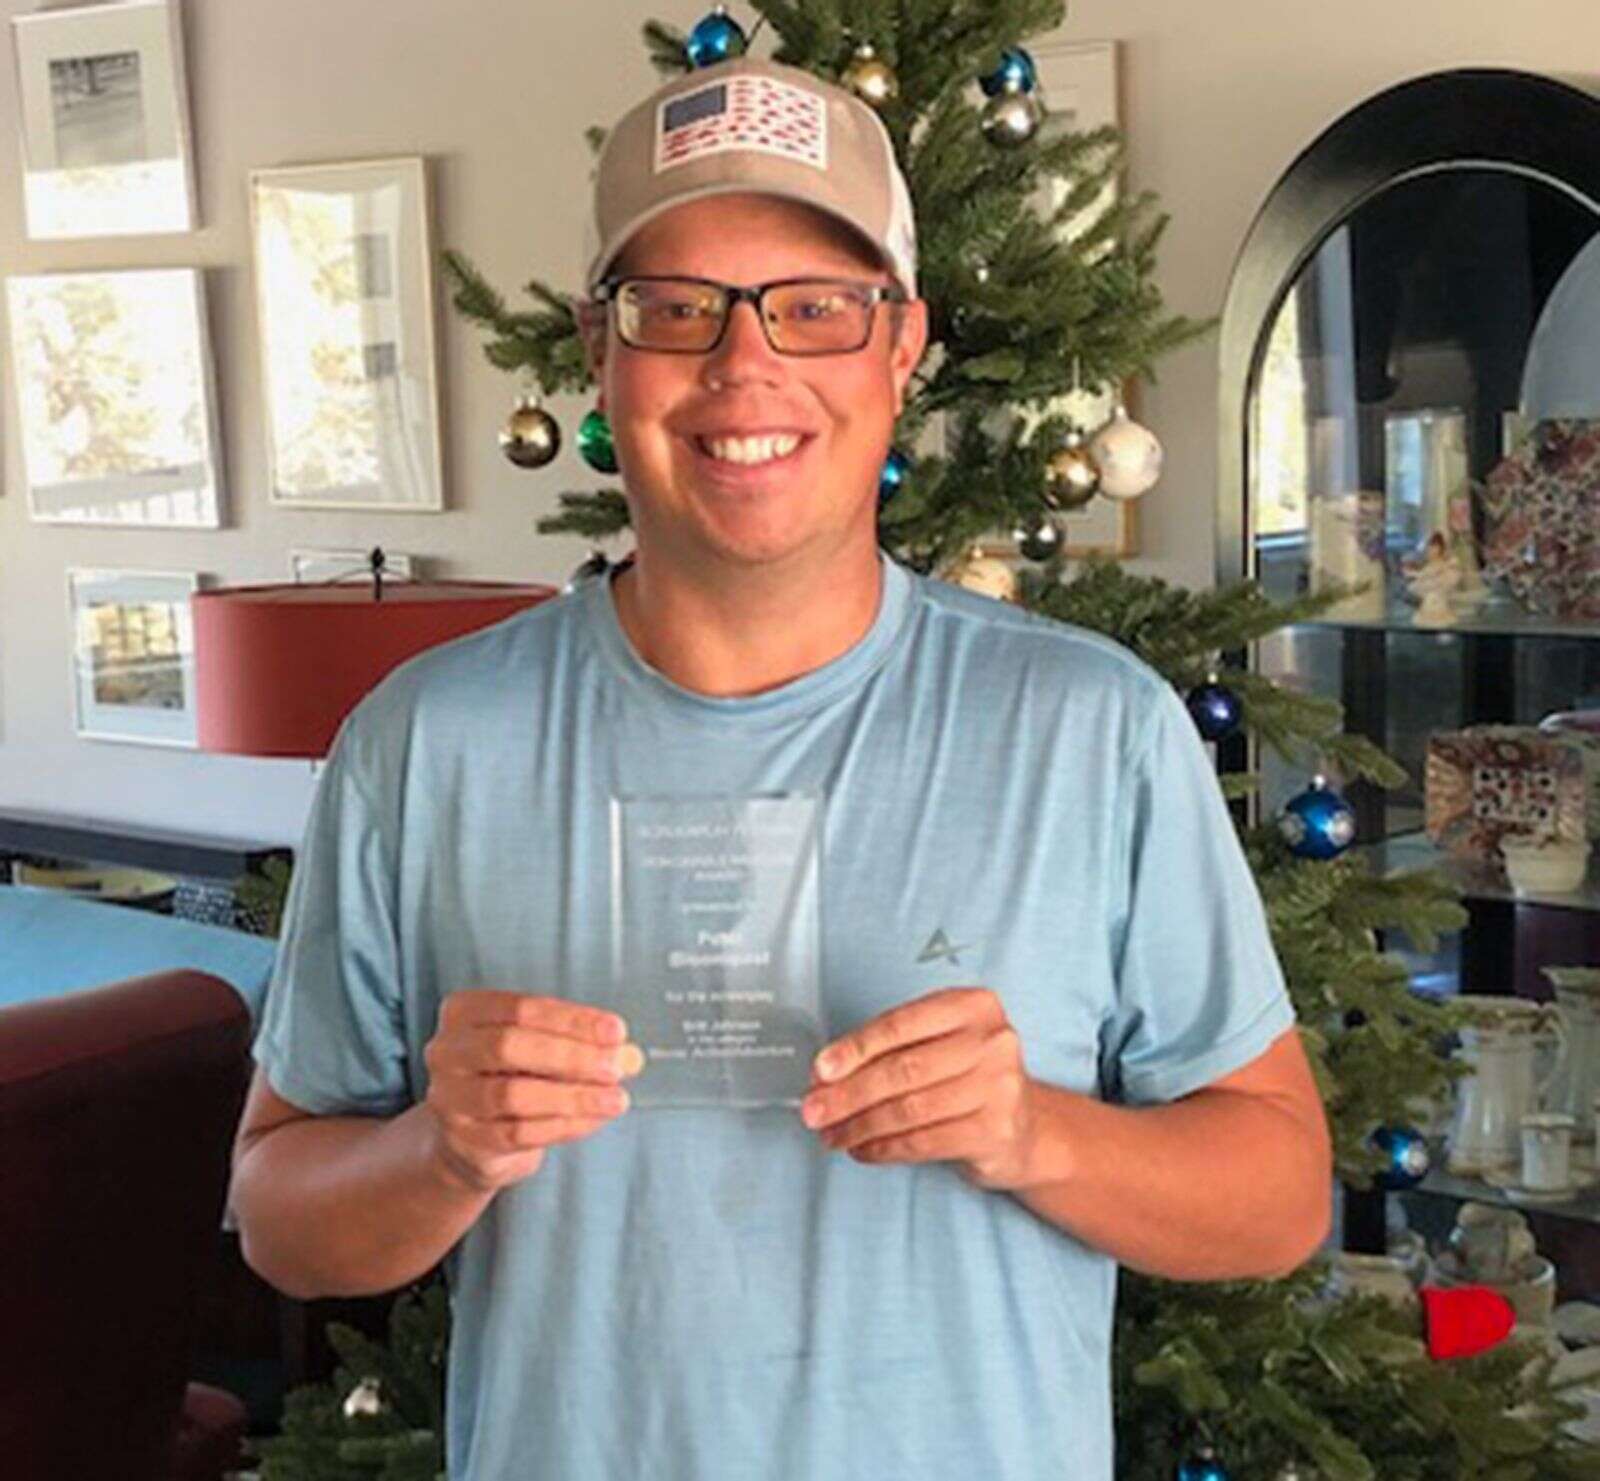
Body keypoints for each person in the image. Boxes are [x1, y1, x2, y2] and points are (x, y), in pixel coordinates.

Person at [231, 54, 1332, 1481]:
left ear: (900, 346)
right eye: (678, 306)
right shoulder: (425, 741)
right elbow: (280, 1215)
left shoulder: (1090, 730)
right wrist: (439, 1150)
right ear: (599, 346)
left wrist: (1033, 1133)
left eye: (816, 306)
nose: (745, 365)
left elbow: (1280, 1196)